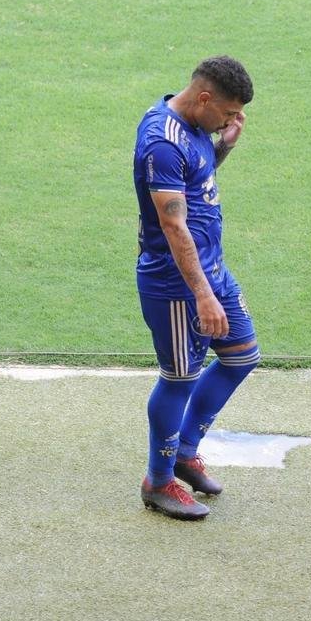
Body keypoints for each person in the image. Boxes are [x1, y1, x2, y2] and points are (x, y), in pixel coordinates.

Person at [132, 56, 261, 520]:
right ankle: (158, 480)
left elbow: (197, 177)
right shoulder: (162, 142)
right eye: (228, 113)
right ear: (204, 98)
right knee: (180, 377)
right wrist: (203, 295)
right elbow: (173, 226)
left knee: (241, 355)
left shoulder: (196, 126)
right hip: (177, 284)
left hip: (212, 271)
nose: (231, 120)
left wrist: (224, 146)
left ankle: (184, 452)